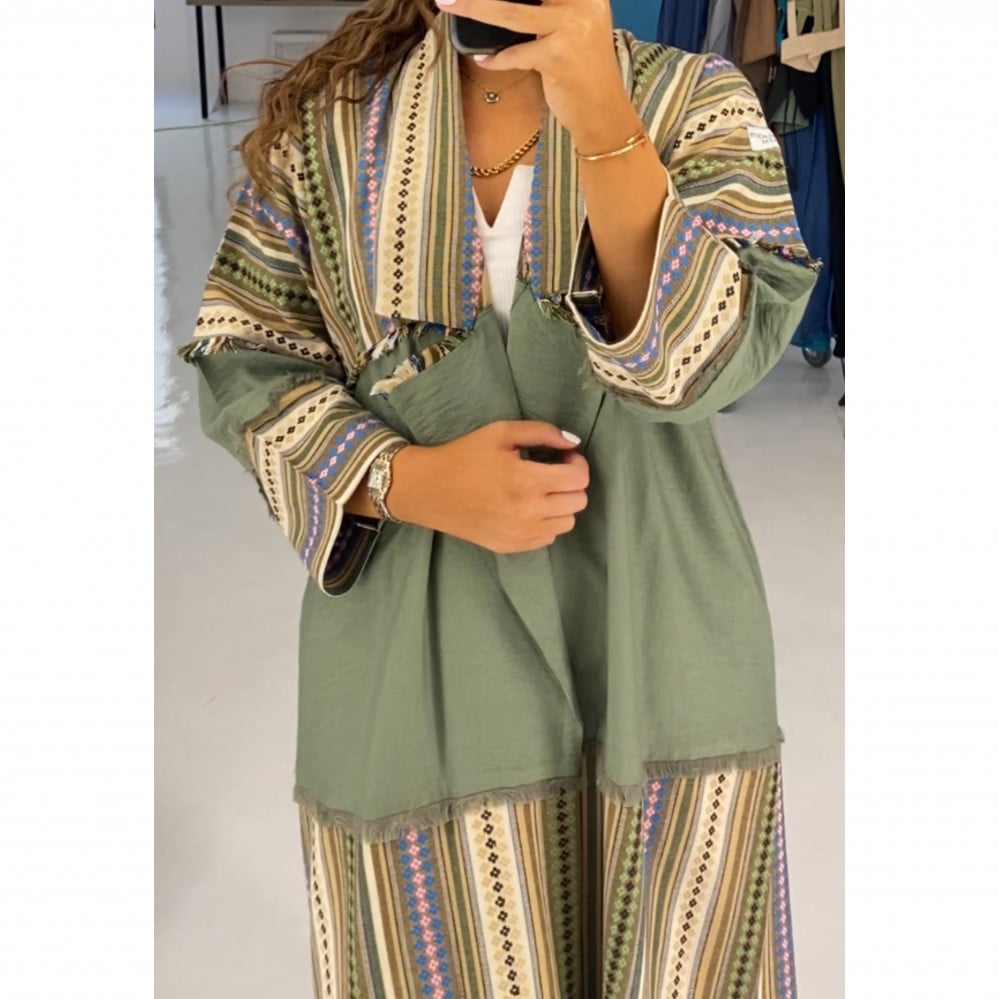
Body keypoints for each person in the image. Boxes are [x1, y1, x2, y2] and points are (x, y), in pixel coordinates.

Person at [180, 0, 817, 994]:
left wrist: (602, 117)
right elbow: (245, 353)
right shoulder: (329, 130)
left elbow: (708, 366)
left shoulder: (696, 101)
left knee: (673, 950)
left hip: (653, 623)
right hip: (420, 651)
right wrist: (404, 478)